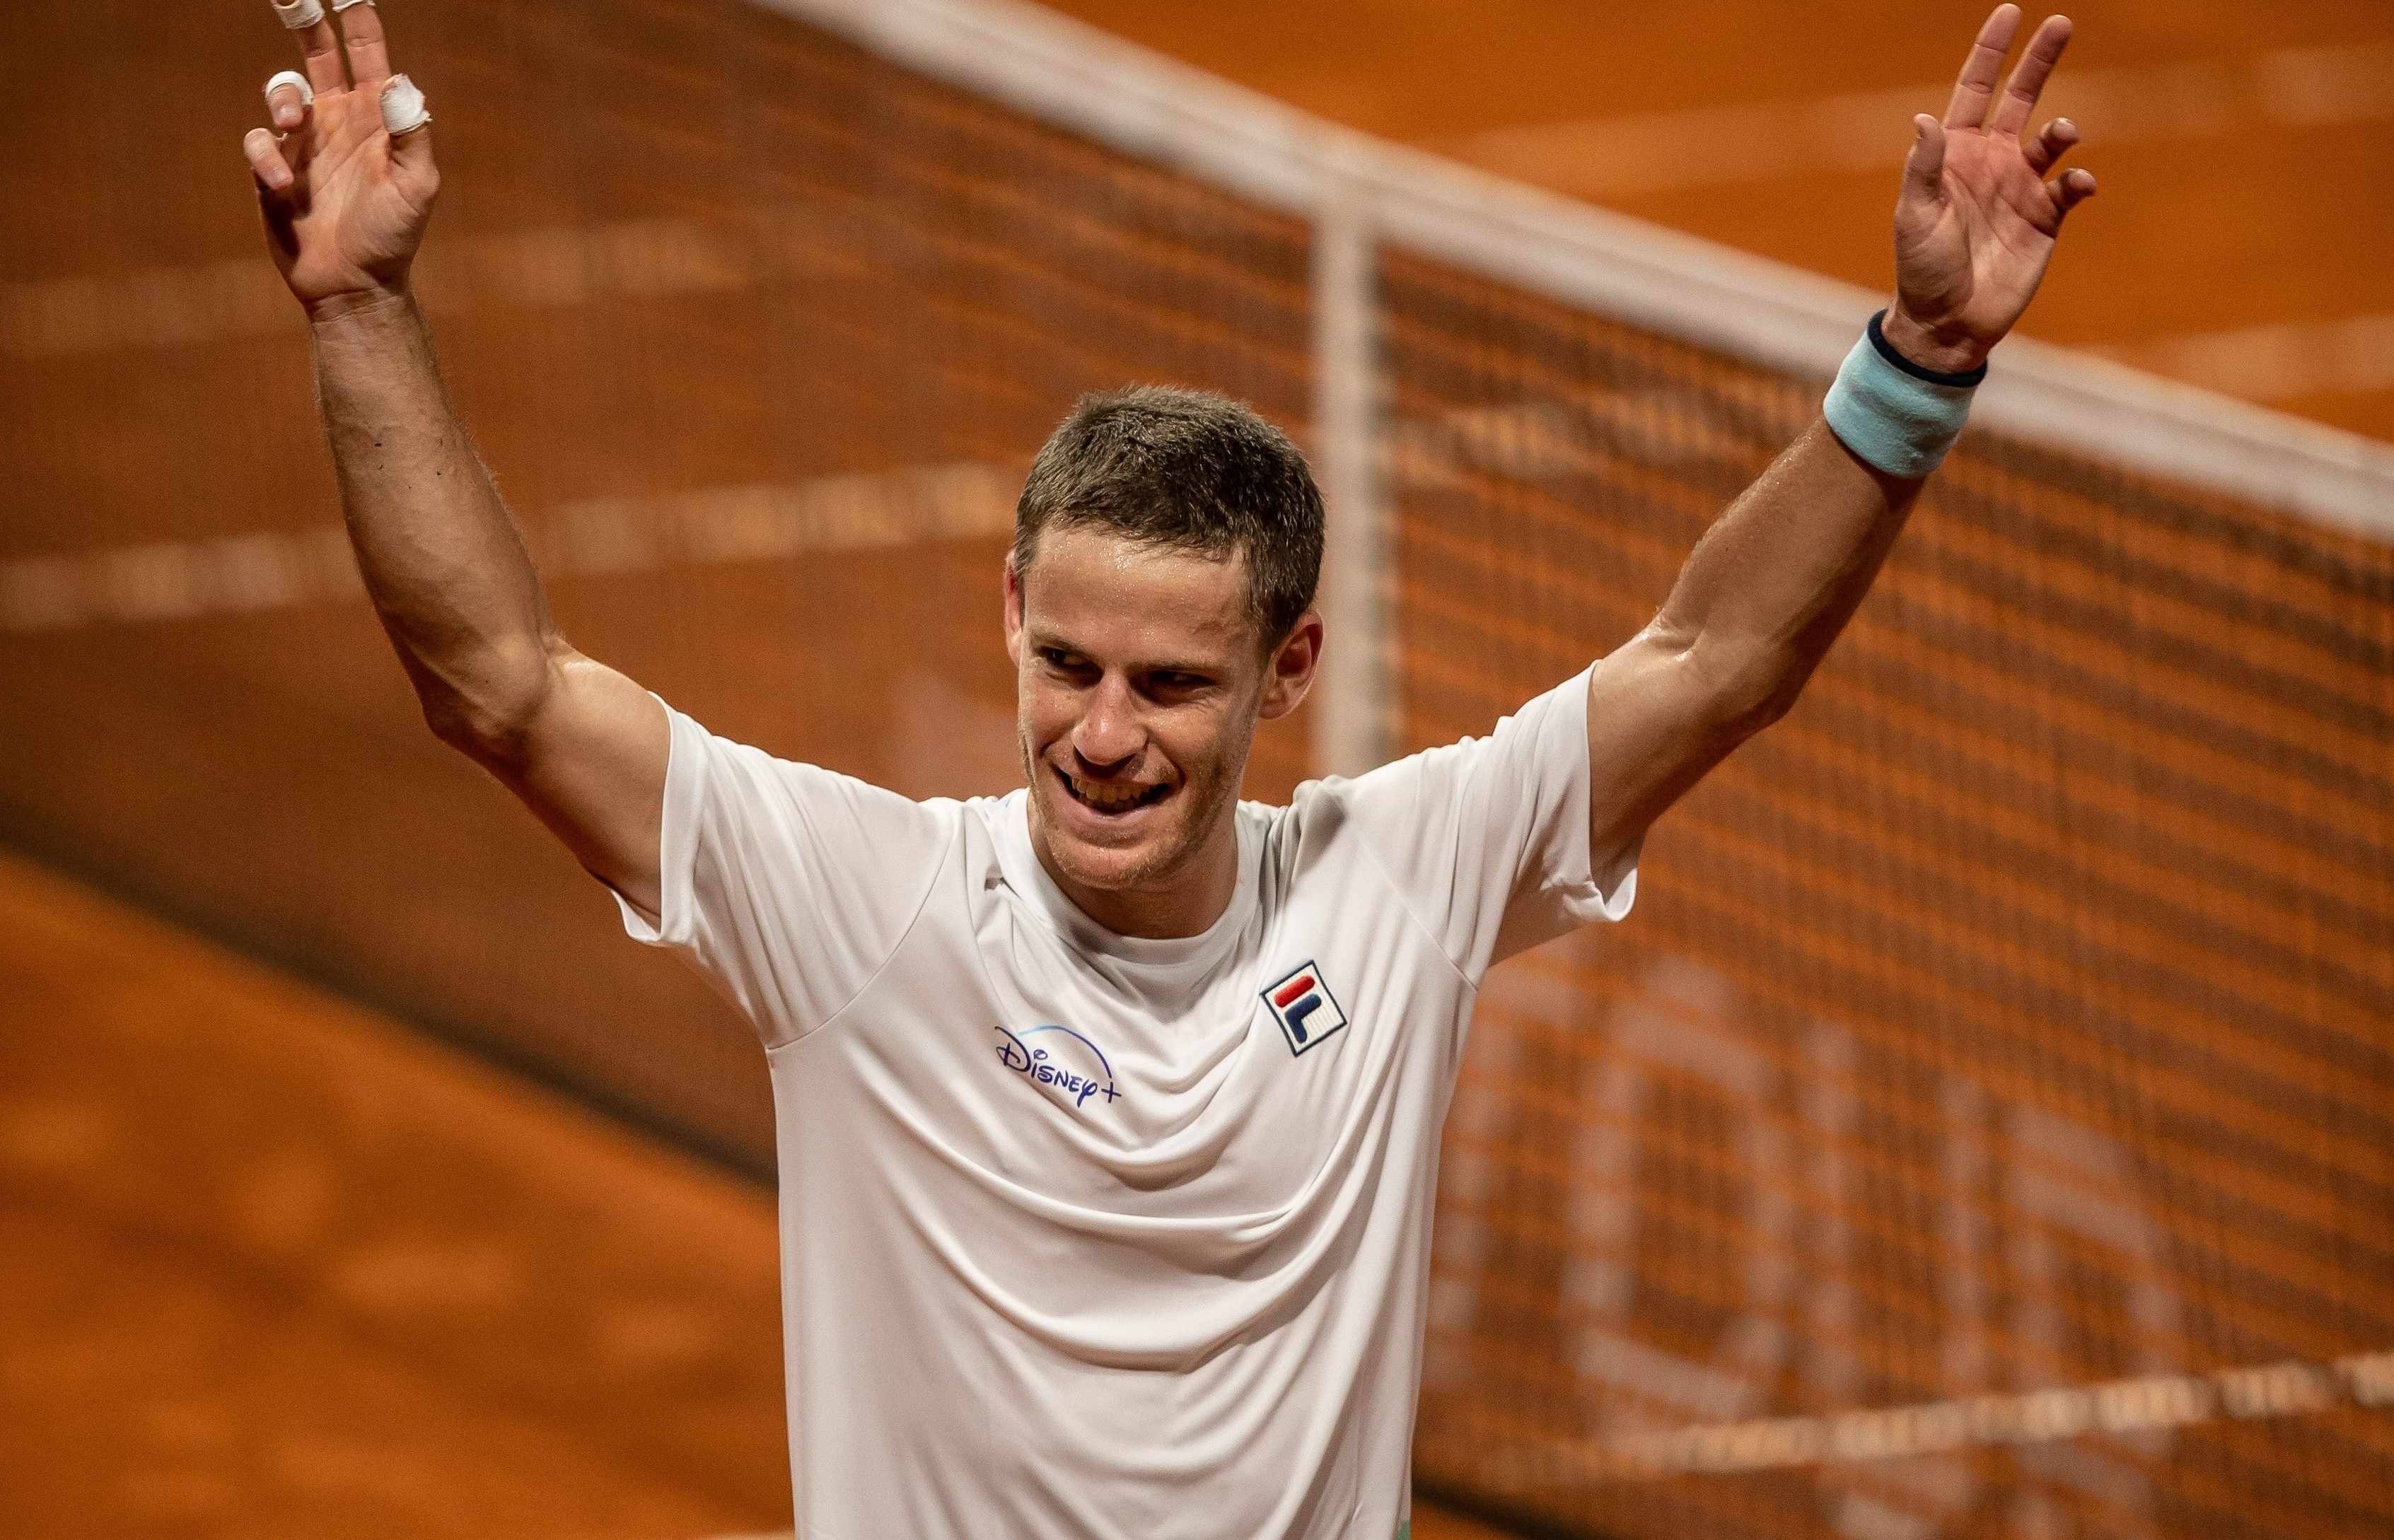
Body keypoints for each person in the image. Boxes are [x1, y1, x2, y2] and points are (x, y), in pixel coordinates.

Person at [240, 2, 2097, 1535]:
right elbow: (496, 679)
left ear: (1288, 669)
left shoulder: (1396, 887)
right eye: (1064, 661)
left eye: (1169, 683)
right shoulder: (866, 909)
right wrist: (358, 311)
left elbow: (1713, 661)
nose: (1100, 734)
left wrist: (1918, 360)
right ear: (1009, 615)